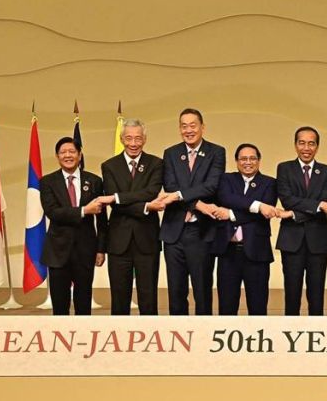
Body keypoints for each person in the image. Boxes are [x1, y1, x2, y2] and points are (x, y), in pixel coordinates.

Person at [156, 108, 226, 315]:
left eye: (192, 125)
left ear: (202, 127)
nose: (188, 130)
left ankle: (203, 338)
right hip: (174, 232)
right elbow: (169, 185)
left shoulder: (216, 152)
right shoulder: (171, 153)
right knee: (176, 290)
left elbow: (211, 186)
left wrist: (180, 196)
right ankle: (179, 338)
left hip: (201, 231)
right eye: (184, 126)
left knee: (202, 289)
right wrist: (197, 204)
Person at [97, 119, 164, 315]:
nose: (133, 143)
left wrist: (118, 198)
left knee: (148, 294)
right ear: (122, 139)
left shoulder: (156, 163)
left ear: (145, 139)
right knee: (119, 296)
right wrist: (146, 206)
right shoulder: (109, 166)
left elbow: (151, 191)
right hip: (119, 240)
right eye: (129, 138)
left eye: (138, 138)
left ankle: (151, 338)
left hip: (147, 238)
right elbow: (113, 201)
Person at [39, 137, 107, 315]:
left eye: (72, 151)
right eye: (63, 152)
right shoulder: (47, 182)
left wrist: (101, 249)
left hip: (85, 250)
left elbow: (102, 220)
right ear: (57, 156)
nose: (67, 155)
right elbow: (53, 212)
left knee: (84, 303)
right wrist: (84, 210)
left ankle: (82, 340)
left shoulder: (94, 181)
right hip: (58, 251)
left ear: (79, 155)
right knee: (60, 305)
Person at [275, 126, 327, 315]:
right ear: (295, 145)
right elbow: (287, 199)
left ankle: (316, 337)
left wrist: (294, 213)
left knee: (317, 294)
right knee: (292, 293)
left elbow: (325, 199)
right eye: (302, 143)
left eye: (311, 143)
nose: (306, 148)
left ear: (317, 147)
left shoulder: (326, 171)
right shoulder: (284, 168)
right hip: (291, 240)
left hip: (317, 240)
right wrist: (319, 205)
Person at [211, 143, 279, 315]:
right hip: (229, 252)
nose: (248, 162)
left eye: (252, 158)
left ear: (259, 161)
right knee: (226, 306)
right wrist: (258, 205)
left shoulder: (269, 183)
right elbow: (227, 197)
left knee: (257, 307)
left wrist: (231, 214)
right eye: (243, 158)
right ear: (236, 161)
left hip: (257, 253)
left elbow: (265, 212)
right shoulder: (226, 179)